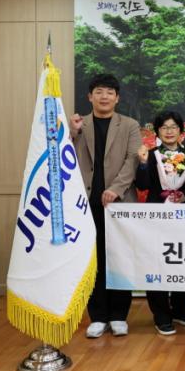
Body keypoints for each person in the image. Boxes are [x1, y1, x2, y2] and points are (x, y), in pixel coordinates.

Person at [70, 74, 142, 338]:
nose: (104, 97)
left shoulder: (130, 125)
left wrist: (115, 189)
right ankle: (98, 316)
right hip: (85, 202)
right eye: (99, 92)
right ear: (90, 96)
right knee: (93, 259)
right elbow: (61, 155)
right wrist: (72, 132)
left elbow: (133, 160)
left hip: (119, 202)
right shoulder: (78, 124)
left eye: (110, 92)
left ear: (117, 98)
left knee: (120, 258)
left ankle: (119, 315)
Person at [136, 110, 185, 336]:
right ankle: (161, 315)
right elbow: (142, 185)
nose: (169, 131)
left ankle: (181, 310)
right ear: (157, 131)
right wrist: (143, 164)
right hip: (156, 216)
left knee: (180, 260)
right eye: (164, 127)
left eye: (173, 127)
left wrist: (184, 195)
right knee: (157, 263)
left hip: (184, 216)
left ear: (180, 130)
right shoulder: (151, 155)